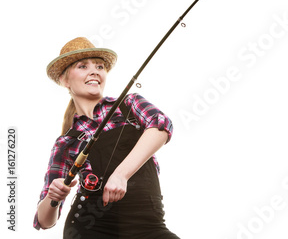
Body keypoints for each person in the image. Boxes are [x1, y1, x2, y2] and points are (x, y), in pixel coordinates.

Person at [34, 37, 180, 238]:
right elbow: (44, 220)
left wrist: (121, 174)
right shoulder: (65, 143)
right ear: (64, 79)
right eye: (83, 66)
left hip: (149, 225)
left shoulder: (129, 104)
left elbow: (161, 125)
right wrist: (53, 197)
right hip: (91, 230)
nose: (94, 71)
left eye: (100, 66)